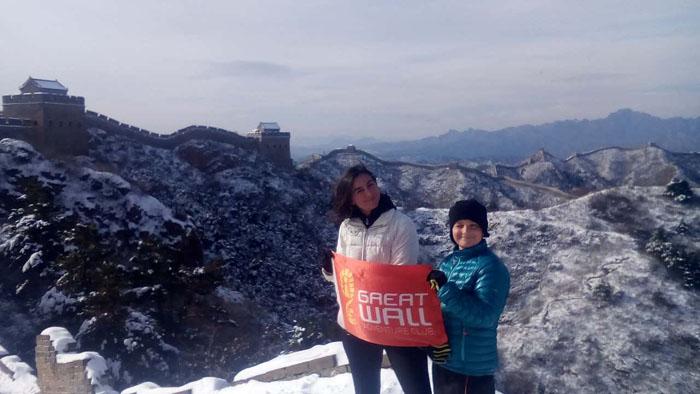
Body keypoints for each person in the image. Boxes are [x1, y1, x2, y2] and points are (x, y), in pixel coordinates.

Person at [321, 164, 432, 394]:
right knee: (365, 389)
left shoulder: (401, 225)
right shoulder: (346, 228)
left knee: (417, 388)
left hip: (396, 321)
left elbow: (402, 279)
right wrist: (330, 270)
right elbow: (343, 281)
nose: (368, 193)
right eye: (359, 190)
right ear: (350, 198)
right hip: (356, 322)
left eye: (370, 185)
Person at [426, 199, 510, 394]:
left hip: (471, 369)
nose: (465, 231)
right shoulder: (448, 262)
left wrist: (446, 290)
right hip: (444, 360)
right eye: (459, 225)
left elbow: (485, 316)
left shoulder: (491, 267)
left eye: (473, 225)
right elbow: (438, 310)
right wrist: (430, 342)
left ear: (483, 230)